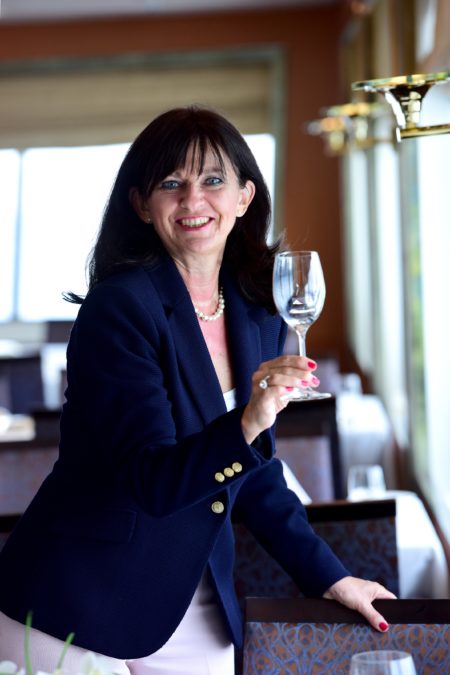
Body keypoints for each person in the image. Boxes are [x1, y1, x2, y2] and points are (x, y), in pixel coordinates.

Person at [0, 106, 395, 673]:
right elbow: (152, 481)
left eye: (212, 180)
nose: (192, 199)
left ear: (244, 197)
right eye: (170, 183)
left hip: (191, 592)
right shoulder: (120, 309)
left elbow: (254, 473)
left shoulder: (257, 311)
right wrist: (249, 421)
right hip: (75, 598)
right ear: (141, 204)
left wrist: (331, 577)